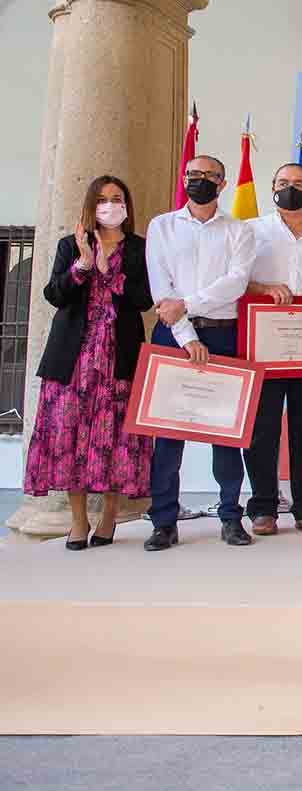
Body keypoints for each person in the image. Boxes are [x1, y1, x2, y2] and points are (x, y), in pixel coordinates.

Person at [24, 176, 154, 550]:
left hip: (119, 357)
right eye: (102, 199)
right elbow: (55, 294)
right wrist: (83, 264)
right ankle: (78, 519)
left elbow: (144, 299)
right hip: (73, 359)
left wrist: (111, 272)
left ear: (126, 205)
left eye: (117, 198)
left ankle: (110, 515)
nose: (109, 205)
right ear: (90, 205)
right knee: (69, 436)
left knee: (117, 438)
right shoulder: (71, 245)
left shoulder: (138, 249)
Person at [143, 155, 255, 550]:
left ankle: (230, 517)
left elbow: (236, 283)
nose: (200, 181)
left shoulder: (239, 230)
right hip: (172, 336)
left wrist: (187, 304)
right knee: (169, 435)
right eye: (194, 174)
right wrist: (187, 335)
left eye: (210, 176)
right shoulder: (162, 226)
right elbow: (162, 289)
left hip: (224, 336)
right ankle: (163, 522)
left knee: (227, 435)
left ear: (223, 185)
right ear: (184, 179)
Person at [242, 164, 302, 537]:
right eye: (281, 183)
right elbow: (233, 278)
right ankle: (263, 506)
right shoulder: (251, 232)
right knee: (261, 429)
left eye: (297, 184)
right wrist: (263, 288)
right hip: (264, 344)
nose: (289, 189)